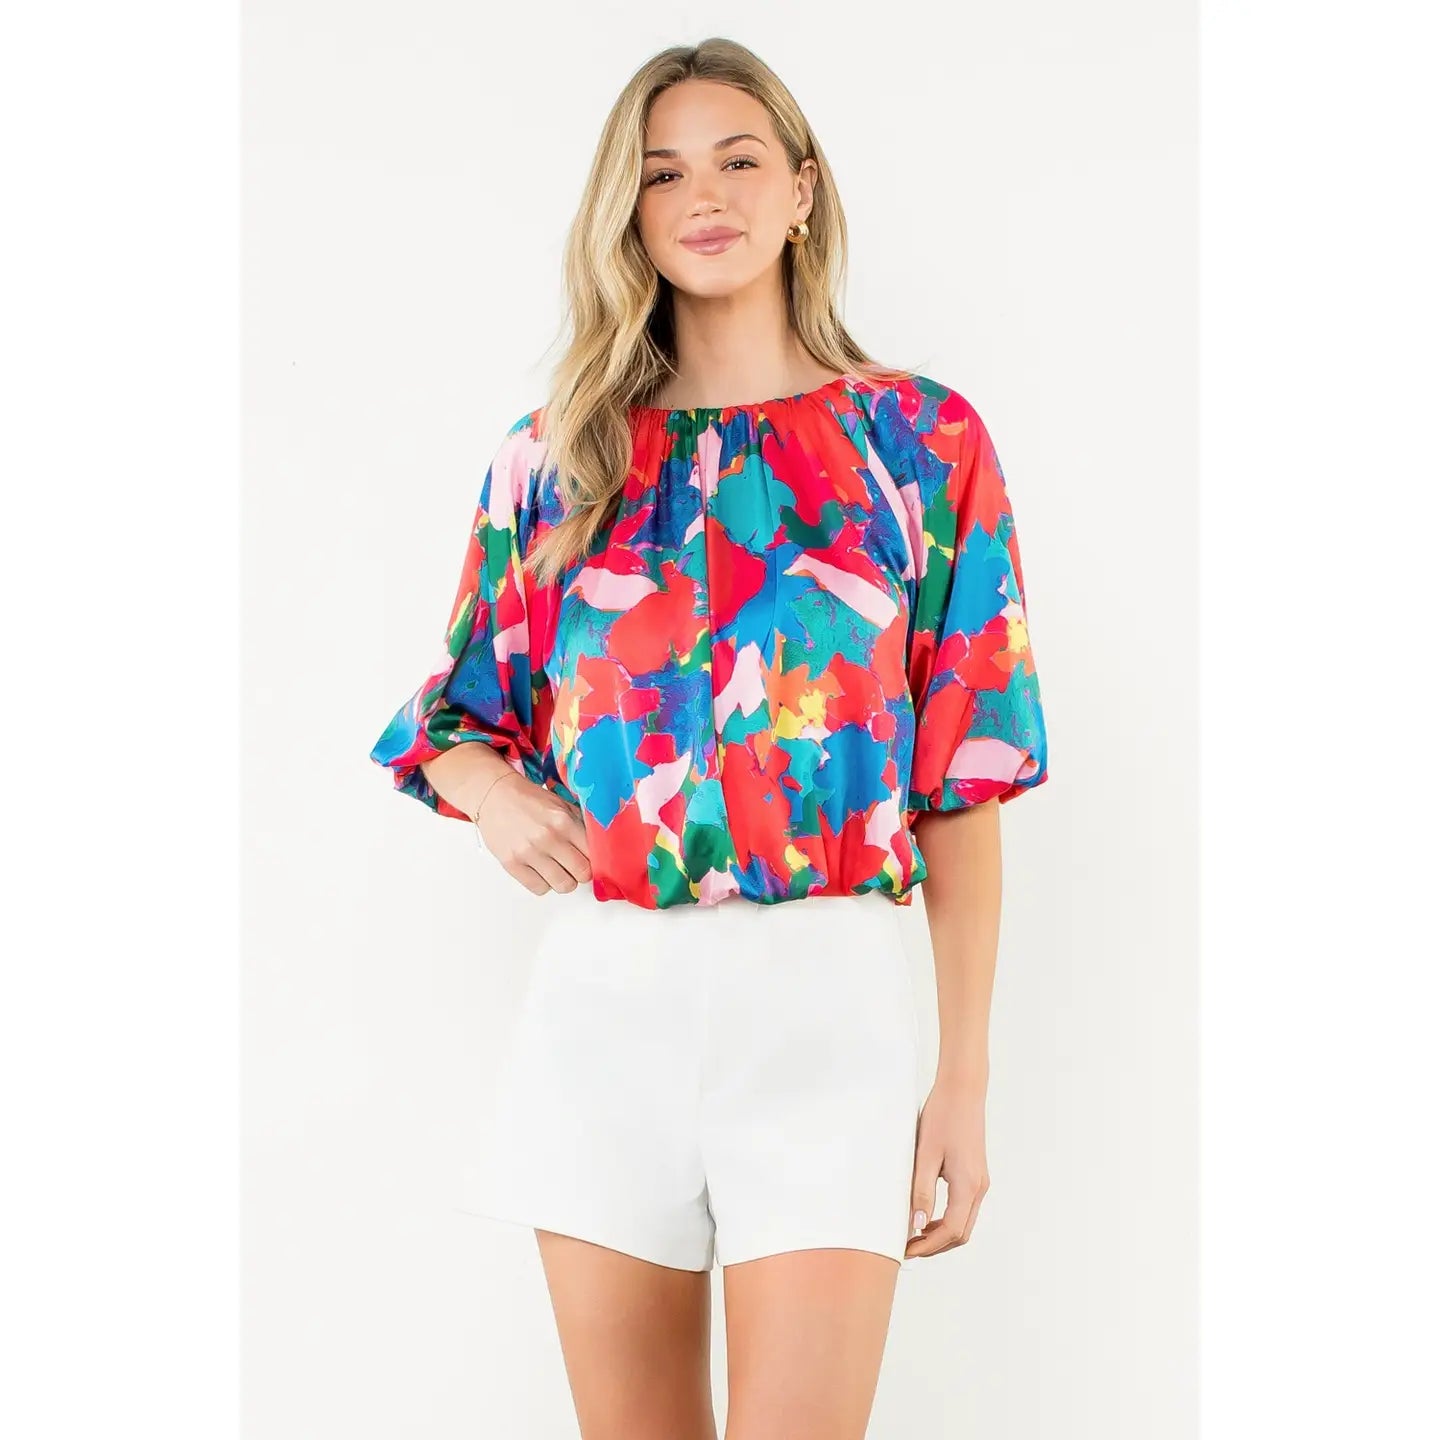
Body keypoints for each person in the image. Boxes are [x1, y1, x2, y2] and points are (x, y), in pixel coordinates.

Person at [369, 36, 1049, 1440]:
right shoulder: (557, 457)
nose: (705, 196)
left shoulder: (919, 444)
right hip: (605, 1005)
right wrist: (491, 793)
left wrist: (963, 1081)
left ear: (803, 189)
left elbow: (964, 780)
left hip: (832, 1005)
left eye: (739, 160)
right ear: (629, 212)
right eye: (663, 172)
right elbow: (454, 712)